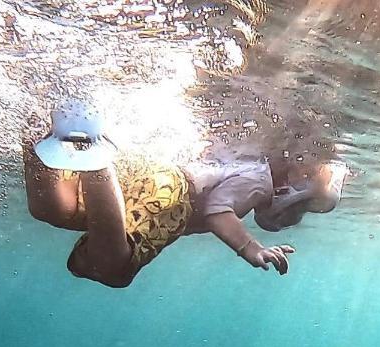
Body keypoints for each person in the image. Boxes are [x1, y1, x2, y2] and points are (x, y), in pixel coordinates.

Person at [23, 99, 348, 288]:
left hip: (150, 171)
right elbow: (218, 210)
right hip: (173, 194)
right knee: (114, 267)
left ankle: (42, 129)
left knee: (58, 208)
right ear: (291, 184)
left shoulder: (248, 167)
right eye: (303, 206)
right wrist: (251, 247)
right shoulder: (259, 182)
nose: (296, 215)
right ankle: (96, 158)